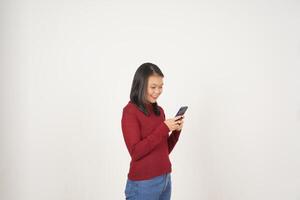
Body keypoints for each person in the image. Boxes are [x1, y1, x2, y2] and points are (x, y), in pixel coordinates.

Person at [121, 62, 185, 200]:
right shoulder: (130, 112)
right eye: (153, 87)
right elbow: (136, 152)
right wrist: (164, 128)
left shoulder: (159, 111)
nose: (157, 91)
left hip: (165, 180)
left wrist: (176, 131)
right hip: (143, 185)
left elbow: (163, 150)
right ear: (141, 85)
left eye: (161, 87)